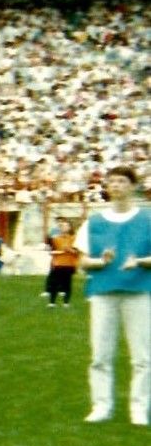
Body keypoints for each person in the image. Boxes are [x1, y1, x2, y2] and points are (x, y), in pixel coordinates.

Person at [75, 166, 151, 426]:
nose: (116, 185)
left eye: (121, 181)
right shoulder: (94, 222)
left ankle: (139, 407)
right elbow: (83, 261)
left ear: (132, 186)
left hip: (138, 291)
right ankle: (101, 405)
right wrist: (101, 262)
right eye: (112, 182)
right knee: (100, 354)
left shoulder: (147, 219)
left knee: (142, 356)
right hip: (103, 292)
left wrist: (139, 261)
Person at [44, 219, 79, 308]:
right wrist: (53, 251)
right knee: (54, 283)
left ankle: (66, 302)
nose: (63, 227)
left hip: (69, 264)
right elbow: (50, 250)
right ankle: (52, 302)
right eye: (62, 226)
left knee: (67, 283)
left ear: (69, 228)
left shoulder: (74, 238)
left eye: (66, 226)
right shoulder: (55, 239)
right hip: (57, 263)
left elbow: (77, 252)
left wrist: (69, 250)